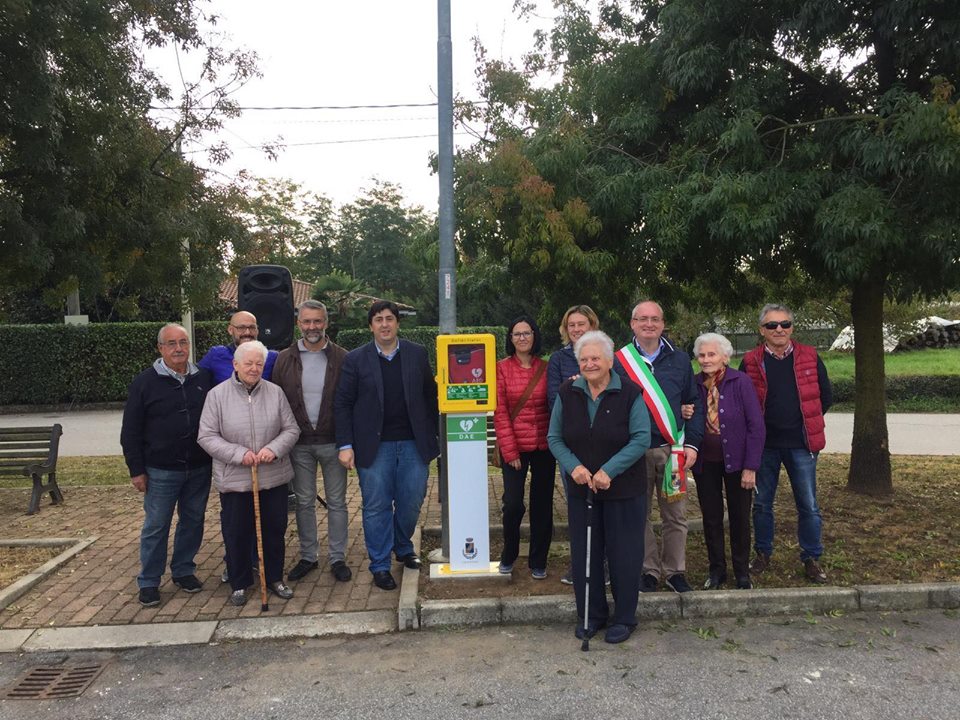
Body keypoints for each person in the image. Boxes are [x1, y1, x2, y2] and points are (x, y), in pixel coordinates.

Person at [548, 331, 651, 644]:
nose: (589, 364)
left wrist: (609, 470)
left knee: (624, 555)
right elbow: (554, 438)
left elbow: (641, 438)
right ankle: (592, 615)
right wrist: (575, 467)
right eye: (584, 359)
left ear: (609, 361)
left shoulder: (630, 393)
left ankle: (624, 618)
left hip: (624, 490)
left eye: (595, 358)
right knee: (586, 554)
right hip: (583, 489)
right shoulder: (568, 392)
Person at [334, 301, 439, 591]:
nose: (384, 324)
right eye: (378, 319)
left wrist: (435, 437)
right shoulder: (355, 359)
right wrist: (345, 444)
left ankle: (403, 547)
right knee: (376, 506)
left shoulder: (417, 354)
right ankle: (380, 564)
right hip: (374, 446)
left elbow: (431, 397)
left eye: (389, 319)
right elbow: (343, 403)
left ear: (397, 323)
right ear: (371, 326)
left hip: (413, 444)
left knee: (411, 500)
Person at [197, 340, 300, 606]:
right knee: (237, 532)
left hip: (272, 476)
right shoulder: (216, 395)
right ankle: (240, 582)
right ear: (236, 365)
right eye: (248, 363)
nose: (254, 369)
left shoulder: (275, 392)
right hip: (235, 479)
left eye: (259, 364)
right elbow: (206, 436)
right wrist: (238, 454)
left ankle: (275, 578)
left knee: (274, 530)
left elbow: (291, 430)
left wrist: (273, 449)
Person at [121, 324, 213, 607]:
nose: (178, 349)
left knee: (193, 521)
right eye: (171, 343)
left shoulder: (204, 378)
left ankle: (184, 570)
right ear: (160, 349)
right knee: (156, 526)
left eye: (183, 342)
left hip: (199, 466)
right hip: (160, 469)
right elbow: (130, 431)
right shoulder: (145, 382)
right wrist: (136, 470)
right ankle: (149, 581)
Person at [615, 301, 704, 594]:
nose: (649, 324)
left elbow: (694, 402)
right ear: (633, 324)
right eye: (643, 319)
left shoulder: (679, 360)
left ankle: (675, 571)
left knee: (676, 515)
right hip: (635, 452)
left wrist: (691, 444)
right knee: (639, 514)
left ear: (663, 324)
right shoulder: (619, 362)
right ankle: (649, 570)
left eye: (655, 319)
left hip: (673, 451)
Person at [740, 304, 833, 583]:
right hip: (764, 446)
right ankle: (763, 554)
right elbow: (741, 401)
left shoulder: (810, 356)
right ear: (761, 330)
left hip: (801, 445)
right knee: (762, 504)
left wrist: (807, 424)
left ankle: (811, 557)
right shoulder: (750, 361)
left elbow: (825, 396)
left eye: (784, 324)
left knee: (808, 504)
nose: (779, 329)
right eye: (772, 325)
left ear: (792, 328)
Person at [273, 300, 352, 583]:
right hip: (298, 444)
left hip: (334, 442)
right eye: (306, 322)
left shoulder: (343, 357)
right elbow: (276, 403)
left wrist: (348, 443)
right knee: (304, 502)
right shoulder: (284, 359)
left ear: (326, 323)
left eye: (317, 321)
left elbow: (351, 402)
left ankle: (338, 557)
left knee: (338, 502)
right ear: (299, 324)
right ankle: (308, 556)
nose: (312, 327)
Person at [691, 333, 765, 590]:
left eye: (711, 354)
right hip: (704, 463)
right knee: (711, 518)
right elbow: (686, 419)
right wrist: (684, 411)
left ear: (725, 356)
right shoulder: (694, 383)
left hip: (738, 462)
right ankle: (717, 570)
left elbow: (756, 426)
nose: (706, 359)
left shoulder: (740, 381)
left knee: (740, 516)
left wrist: (751, 466)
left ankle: (742, 572)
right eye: (702, 355)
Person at [494, 315, 556, 579]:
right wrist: (510, 451)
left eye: (526, 333)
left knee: (542, 505)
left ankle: (538, 560)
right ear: (510, 339)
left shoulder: (547, 367)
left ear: (535, 335)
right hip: (515, 448)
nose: (522, 338)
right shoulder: (501, 368)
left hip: (543, 447)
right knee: (513, 503)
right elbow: (500, 411)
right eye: (516, 334)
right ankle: (509, 553)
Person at [546, 304, 600, 585]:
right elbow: (555, 398)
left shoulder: (607, 356)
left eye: (582, 324)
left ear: (592, 325)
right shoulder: (559, 359)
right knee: (578, 504)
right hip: (573, 442)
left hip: (605, 441)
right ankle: (580, 562)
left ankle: (603, 561)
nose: (577, 329)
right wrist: (576, 388)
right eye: (572, 325)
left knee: (605, 503)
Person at [198, 310, 279, 384]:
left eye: (252, 327)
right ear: (230, 330)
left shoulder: (272, 357)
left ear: (257, 330)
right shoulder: (216, 354)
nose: (247, 332)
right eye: (241, 328)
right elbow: (195, 379)